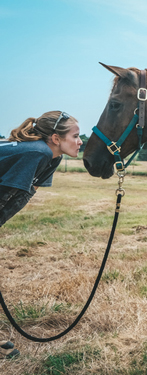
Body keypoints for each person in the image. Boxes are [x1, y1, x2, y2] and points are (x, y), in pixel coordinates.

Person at [0, 111, 82, 359]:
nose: (80, 141)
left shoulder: (51, 159)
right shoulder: (38, 153)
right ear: (56, 138)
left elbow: (17, 199)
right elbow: (5, 196)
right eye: (75, 136)